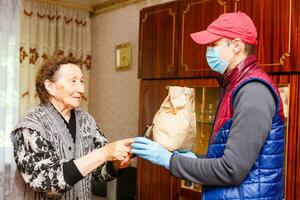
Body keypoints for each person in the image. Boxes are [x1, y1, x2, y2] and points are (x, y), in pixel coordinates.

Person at [131, 12, 285, 199]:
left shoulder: (253, 91)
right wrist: (196, 160)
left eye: (213, 44)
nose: (208, 51)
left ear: (236, 45)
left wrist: (170, 160)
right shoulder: (236, 86)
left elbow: (231, 170)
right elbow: (229, 157)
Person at [11, 56, 134, 200]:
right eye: (73, 81)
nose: (81, 89)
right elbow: (48, 182)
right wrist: (103, 153)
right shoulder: (29, 126)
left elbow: (99, 171)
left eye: (82, 81)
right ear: (50, 86)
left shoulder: (87, 120)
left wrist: (116, 164)